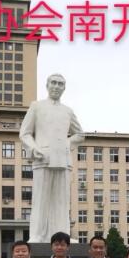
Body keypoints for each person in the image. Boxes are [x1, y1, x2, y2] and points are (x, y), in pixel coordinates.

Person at [19, 73, 85, 243]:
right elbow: (25, 133)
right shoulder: (36, 106)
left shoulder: (67, 111)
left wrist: (66, 144)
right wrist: (34, 148)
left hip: (63, 159)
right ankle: (37, 235)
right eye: (53, 83)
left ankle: (63, 236)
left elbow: (80, 134)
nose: (56, 86)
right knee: (41, 199)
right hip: (43, 158)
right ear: (47, 85)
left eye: (60, 84)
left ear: (64, 88)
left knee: (62, 201)